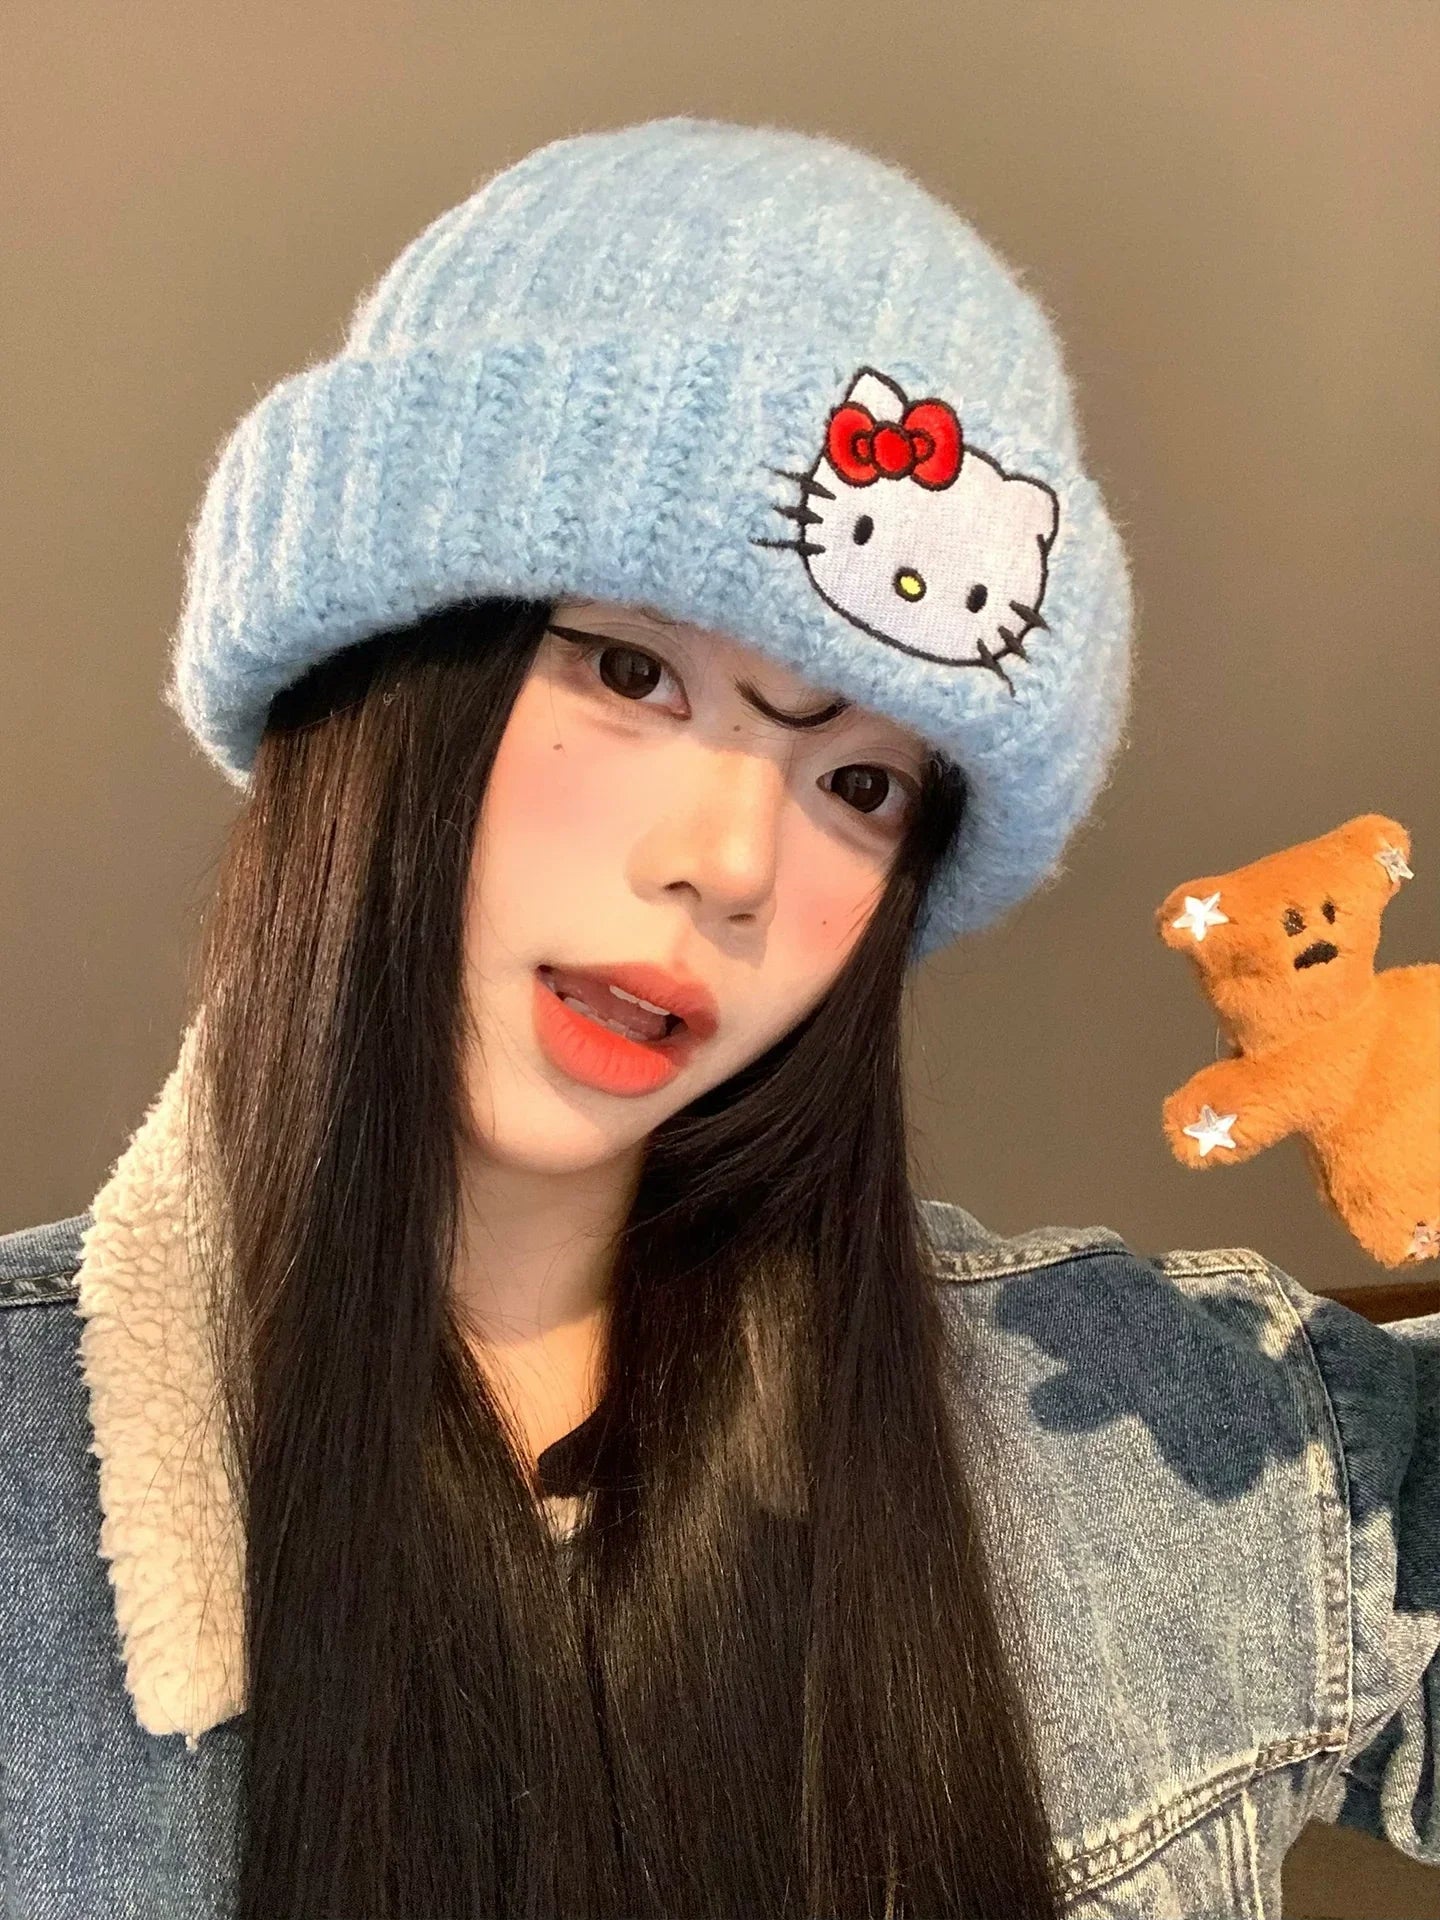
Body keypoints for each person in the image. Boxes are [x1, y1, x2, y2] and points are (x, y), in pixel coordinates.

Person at [0, 117, 1434, 1920]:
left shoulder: (1168, 1443)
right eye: (631, 670)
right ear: (379, 676)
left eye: (860, 783)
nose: (731, 862)